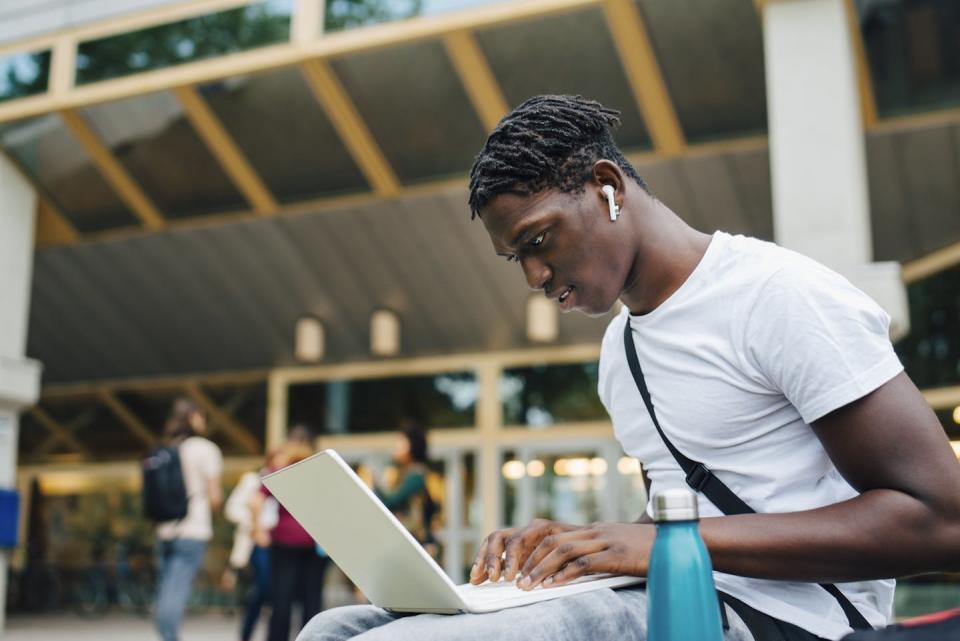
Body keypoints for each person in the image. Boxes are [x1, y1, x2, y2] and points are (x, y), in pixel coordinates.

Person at [297, 95, 960, 641]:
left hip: (791, 617)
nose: (534, 275)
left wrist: (652, 544)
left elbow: (939, 519)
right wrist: (579, 543)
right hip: (668, 595)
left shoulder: (777, 296)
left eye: (538, 240)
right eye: (516, 259)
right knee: (337, 626)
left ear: (608, 189)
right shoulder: (622, 353)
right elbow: (679, 513)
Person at [153, 397, 223, 641]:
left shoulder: (166, 448)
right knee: (177, 589)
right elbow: (215, 497)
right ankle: (169, 637)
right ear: (194, 418)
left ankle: (165, 634)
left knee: (166, 587)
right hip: (193, 528)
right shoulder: (206, 449)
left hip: (165, 528)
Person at [253, 441, 330, 641]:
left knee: (282, 597)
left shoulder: (282, 473)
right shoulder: (319, 477)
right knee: (312, 598)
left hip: (285, 542)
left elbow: (255, 501)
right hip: (315, 544)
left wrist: (258, 529)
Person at [222, 447, 282, 641]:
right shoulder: (253, 480)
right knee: (264, 588)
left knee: (275, 592)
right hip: (258, 542)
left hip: (280, 543)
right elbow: (232, 509)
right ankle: (246, 633)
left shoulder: (285, 483)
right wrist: (255, 526)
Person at [376, 423, 438, 556]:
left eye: (400, 441)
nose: (396, 446)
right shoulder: (402, 473)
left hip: (417, 545)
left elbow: (391, 503)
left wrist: (374, 485)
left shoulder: (417, 474)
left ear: (412, 445)